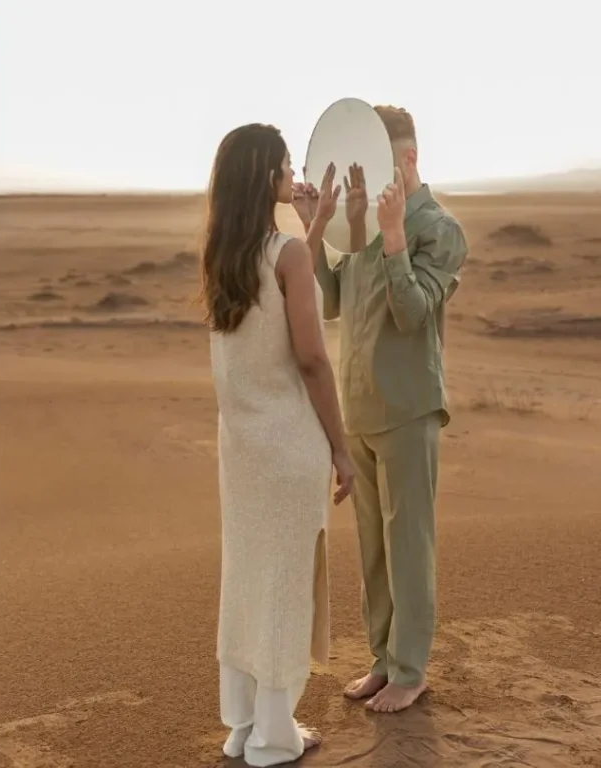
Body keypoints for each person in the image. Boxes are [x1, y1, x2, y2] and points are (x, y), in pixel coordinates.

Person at [294, 105, 469, 714]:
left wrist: (394, 240)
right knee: (372, 545)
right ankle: (382, 660)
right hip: (360, 406)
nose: (369, 181)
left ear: (410, 158)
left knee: (408, 542)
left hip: (409, 406)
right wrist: (312, 228)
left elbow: (413, 313)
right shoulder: (360, 228)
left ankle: (410, 669)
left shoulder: (439, 229)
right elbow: (336, 300)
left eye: (381, 163)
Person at [201, 123, 355, 766]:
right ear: (267, 178)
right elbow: (313, 359)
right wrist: (342, 450)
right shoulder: (285, 254)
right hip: (289, 447)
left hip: (241, 451)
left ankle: (244, 725)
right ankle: (274, 737)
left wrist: (311, 231)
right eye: (288, 168)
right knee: (287, 583)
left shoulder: (222, 255)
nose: (296, 177)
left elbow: (284, 284)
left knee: (249, 576)